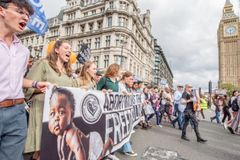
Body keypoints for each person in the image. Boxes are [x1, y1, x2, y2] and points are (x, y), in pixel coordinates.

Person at [0, 1, 50, 160]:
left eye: (28, 15)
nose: (25, 17)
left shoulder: (24, 51)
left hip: (17, 113)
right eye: (20, 12)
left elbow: (18, 79)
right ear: (2, 11)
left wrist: (35, 83)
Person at [24, 40, 76, 159]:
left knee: (53, 148)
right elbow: (27, 88)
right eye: (66, 48)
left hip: (59, 115)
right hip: (42, 109)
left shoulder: (68, 72)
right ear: (57, 50)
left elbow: (71, 90)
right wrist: (45, 89)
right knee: (41, 150)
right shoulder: (44, 64)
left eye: (70, 49)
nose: (69, 51)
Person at [48, 87, 113, 160]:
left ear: (72, 114)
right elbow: (63, 156)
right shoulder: (60, 136)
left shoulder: (71, 133)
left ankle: (108, 144)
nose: (56, 118)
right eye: (52, 113)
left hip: (92, 143)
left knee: (100, 156)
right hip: (87, 145)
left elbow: (78, 149)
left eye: (61, 112)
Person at [118, 71, 137, 157]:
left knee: (123, 129)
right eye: (131, 79)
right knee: (123, 129)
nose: (132, 81)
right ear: (125, 77)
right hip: (119, 111)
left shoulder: (124, 86)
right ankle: (127, 148)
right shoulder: (120, 85)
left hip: (123, 111)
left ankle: (125, 146)